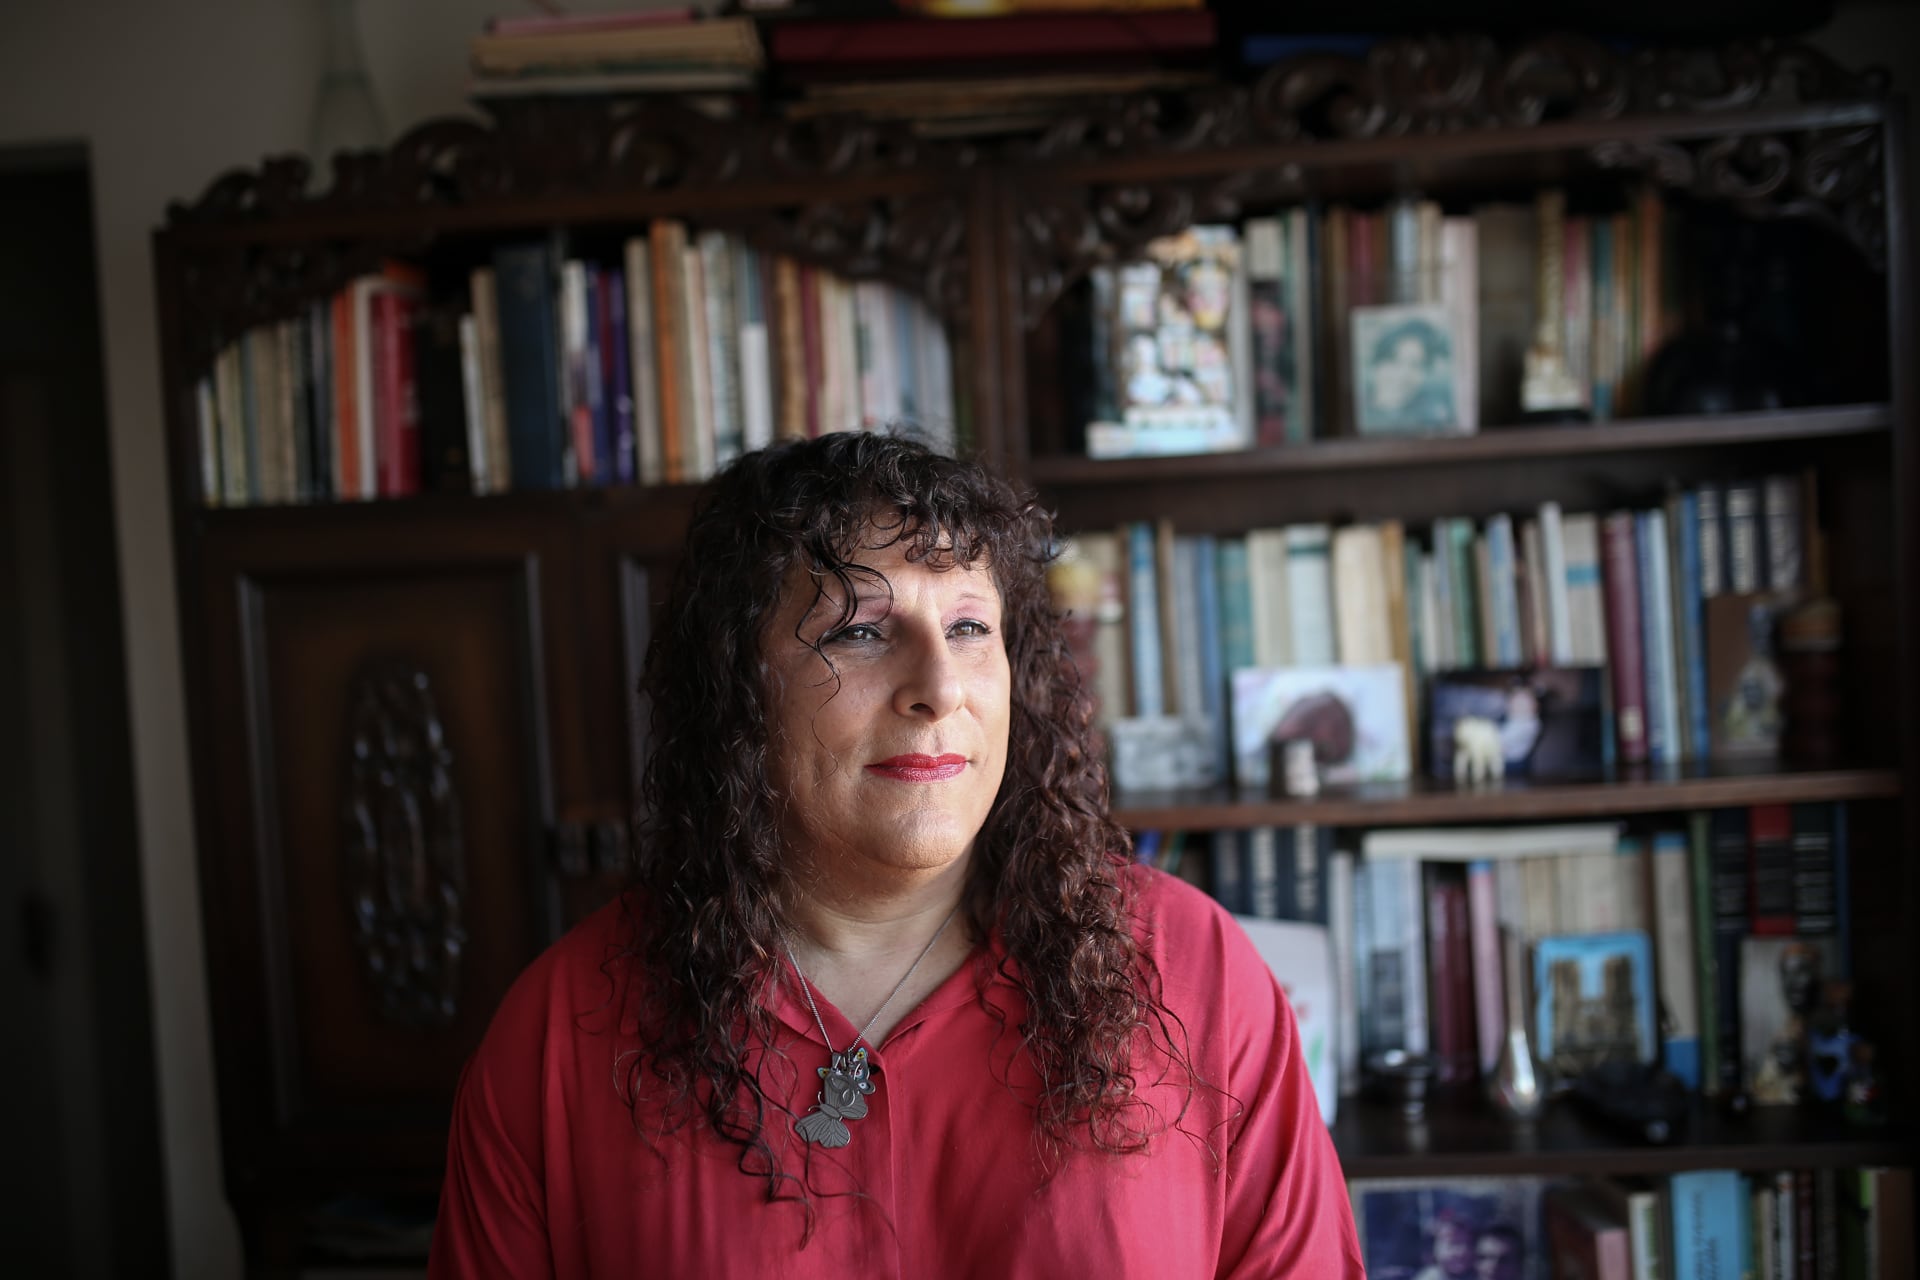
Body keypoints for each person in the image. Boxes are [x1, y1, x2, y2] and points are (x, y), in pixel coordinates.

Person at [429, 431, 1361, 1277]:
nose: (939, 687)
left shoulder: (1193, 972)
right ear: (736, 689)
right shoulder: (559, 1037)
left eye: (969, 628)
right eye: (861, 631)